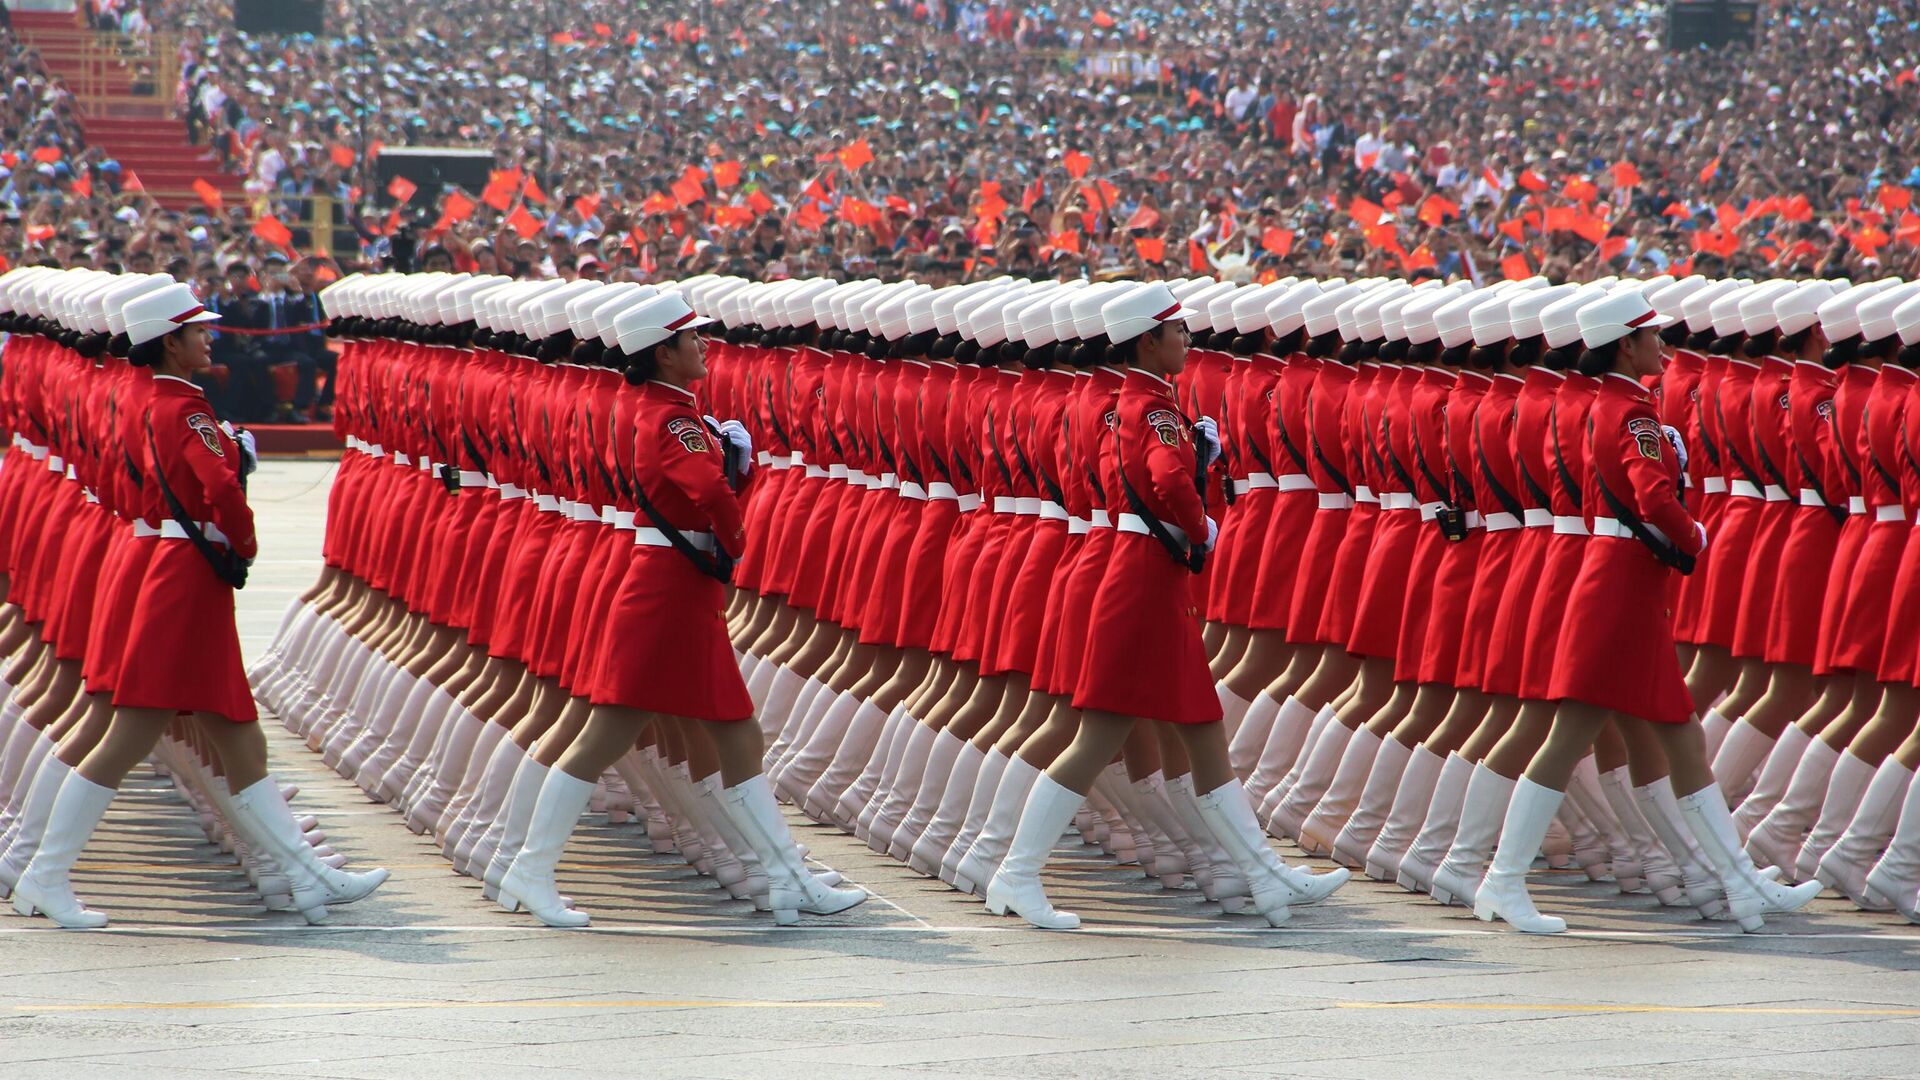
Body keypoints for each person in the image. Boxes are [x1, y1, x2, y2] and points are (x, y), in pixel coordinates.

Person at [7, 279, 388, 928]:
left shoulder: (140, 396)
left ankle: (307, 874)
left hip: (160, 562)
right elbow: (218, 487)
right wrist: (242, 534)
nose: (207, 338)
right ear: (168, 344)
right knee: (126, 734)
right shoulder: (186, 409)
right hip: (182, 577)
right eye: (195, 331)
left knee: (238, 737)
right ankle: (41, 870)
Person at [494, 291, 869, 927]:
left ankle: (787, 880)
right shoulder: (674, 419)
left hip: (669, 585)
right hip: (667, 589)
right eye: (691, 339)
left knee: (732, 729)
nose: (703, 347)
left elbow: (697, 486)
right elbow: (704, 492)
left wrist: (729, 474)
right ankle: (528, 868)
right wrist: (738, 532)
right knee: (610, 733)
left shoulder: (665, 409)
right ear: (663, 354)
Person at [981, 282, 1349, 929]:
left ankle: (1266, 876)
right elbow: (1167, 478)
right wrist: (1202, 523)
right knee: (1096, 739)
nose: (1187, 341)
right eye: (1176, 331)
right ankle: (1013, 872)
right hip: (1141, 585)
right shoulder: (1154, 411)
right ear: (1147, 340)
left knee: (1204, 733)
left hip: (1139, 578)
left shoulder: (1134, 402)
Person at [1472, 289, 1822, 934]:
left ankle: (1741, 884)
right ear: (1625, 345)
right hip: (1618, 586)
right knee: (1568, 736)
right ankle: (1501, 879)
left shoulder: (1606, 405)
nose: (1661, 345)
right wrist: (1696, 536)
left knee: (1679, 734)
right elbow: (1653, 495)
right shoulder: (1632, 414)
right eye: (1650, 336)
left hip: (1618, 580)